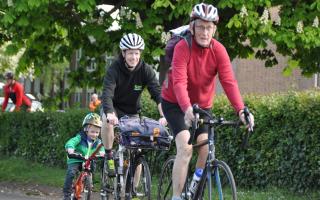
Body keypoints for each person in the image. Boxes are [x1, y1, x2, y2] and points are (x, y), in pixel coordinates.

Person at [160, 3, 255, 200]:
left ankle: (195, 190)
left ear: (214, 29)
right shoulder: (182, 47)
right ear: (192, 27)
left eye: (209, 27)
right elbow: (179, 83)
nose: (205, 32)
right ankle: (177, 196)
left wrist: (241, 110)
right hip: (175, 103)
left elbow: (229, 82)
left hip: (202, 106)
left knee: (205, 147)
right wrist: (186, 108)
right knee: (185, 147)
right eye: (201, 27)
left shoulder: (218, 50)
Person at [101, 33, 167, 175]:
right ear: (124, 53)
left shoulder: (145, 70)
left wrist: (164, 115)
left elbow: (157, 94)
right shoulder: (114, 69)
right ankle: (109, 156)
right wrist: (110, 114)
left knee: (137, 152)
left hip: (132, 112)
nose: (134, 57)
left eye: (137, 53)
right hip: (114, 109)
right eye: (130, 53)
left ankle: (134, 193)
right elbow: (107, 94)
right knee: (107, 122)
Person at [62, 113, 105, 200]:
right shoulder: (80, 137)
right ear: (86, 129)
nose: (95, 135)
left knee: (92, 167)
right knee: (71, 173)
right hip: (76, 159)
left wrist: (102, 153)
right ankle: (66, 194)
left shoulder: (97, 141)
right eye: (92, 132)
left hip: (88, 160)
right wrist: (70, 149)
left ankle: (89, 183)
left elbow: (102, 148)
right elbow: (71, 142)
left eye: (97, 132)